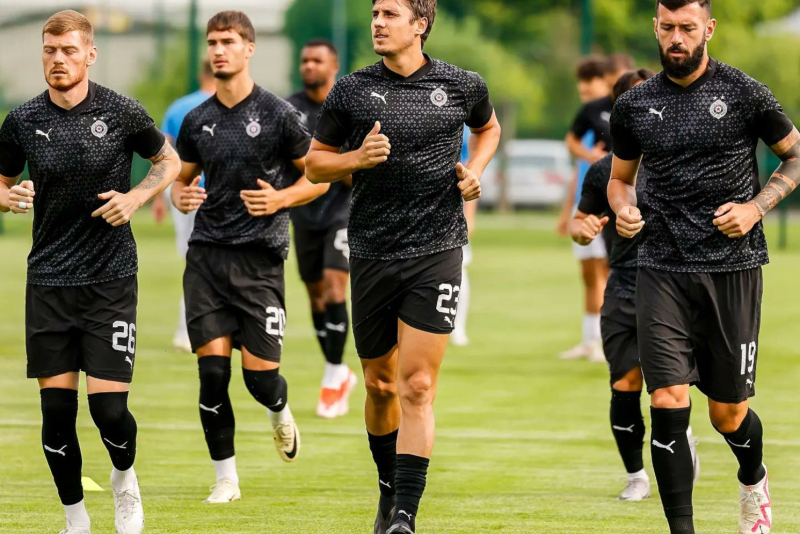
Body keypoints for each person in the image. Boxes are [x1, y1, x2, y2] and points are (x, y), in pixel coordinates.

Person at [305, 1, 501, 532]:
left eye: (390, 13)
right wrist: (355, 159)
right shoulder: (351, 90)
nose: (377, 22)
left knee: (416, 385)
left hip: (437, 249)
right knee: (379, 385)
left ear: (420, 24)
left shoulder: (461, 84)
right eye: (374, 13)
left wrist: (476, 168)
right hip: (371, 252)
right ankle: (388, 491)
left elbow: (488, 129)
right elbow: (315, 164)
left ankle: (404, 518)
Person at [608, 1, 800, 532]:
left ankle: (753, 478)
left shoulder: (744, 92)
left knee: (727, 414)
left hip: (732, 269)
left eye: (687, 28)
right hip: (660, 267)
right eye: (668, 27)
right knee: (667, 399)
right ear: (655, 27)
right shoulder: (634, 104)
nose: (676, 38)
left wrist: (755, 207)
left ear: (708, 29)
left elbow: (796, 155)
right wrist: (623, 208)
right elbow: (620, 179)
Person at [0, 10, 180, 534]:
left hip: (110, 280)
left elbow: (168, 161)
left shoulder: (121, 111)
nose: (58, 60)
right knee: (56, 417)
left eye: (69, 50)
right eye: (50, 50)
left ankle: (124, 479)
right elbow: (1, 180)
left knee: (109, 414)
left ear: (90, 54)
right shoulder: (22, 120)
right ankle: (75, 520)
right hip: (49, 282)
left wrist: (137, 197)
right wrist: (9, 197)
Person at [172, 10, 329, 505]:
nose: (218, 50)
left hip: (260, 262)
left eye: (228, 42)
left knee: (260, 381)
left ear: (249, 48)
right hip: (206, 259)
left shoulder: (279, 114)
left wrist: (281, 199)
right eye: (212, 43)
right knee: (212, 375)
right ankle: (226, 480)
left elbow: (318, 177)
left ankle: (279, 409)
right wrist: (180, 196)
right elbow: (180, 180)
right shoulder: (196, 119)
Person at [571, 68, 700, 502]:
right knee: (625, 385)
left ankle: (681, 436)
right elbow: (579, 223)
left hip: (674, 288)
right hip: (623, 289)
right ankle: (636, 476)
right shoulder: (603, 170)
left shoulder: (683, 161)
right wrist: (584, 230)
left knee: (669, 389)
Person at [286, 38, 358, 419]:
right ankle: (339, 369)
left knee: (333, 287)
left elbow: (353, 169)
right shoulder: (289, 109)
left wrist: (338, 165)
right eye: (305, 60)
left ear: (334, 66)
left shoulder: (348, 105)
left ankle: (333, 375)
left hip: (341, 212)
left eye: (317, 60)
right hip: (303, 212)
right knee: (315, 297)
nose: (309, 66)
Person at [152, 60, 216, 353]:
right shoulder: (227, 106)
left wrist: (158, 197)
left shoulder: (178, 107)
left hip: (183, 190)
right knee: (211, 261)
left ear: (200, 74)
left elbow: (161, 156)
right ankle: (197, 329)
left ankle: (188, 331)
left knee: (192, 258)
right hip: (216, 192)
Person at [557, 56, 613, 362]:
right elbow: (578, 173)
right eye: (581, 83)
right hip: (585, 205)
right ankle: (591, 340)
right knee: (590, 278)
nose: (584, 89)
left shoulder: (614, 118)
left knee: (608, 275)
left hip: (608, 207)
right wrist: (567, 212)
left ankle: (607, 341)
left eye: (590, 82)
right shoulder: (588, 119)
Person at [451, 125, 475, 347]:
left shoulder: (462, 126)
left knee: (460, 266)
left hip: (452, 208)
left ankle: (458, 327)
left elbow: (470, 170)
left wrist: (469, 214)